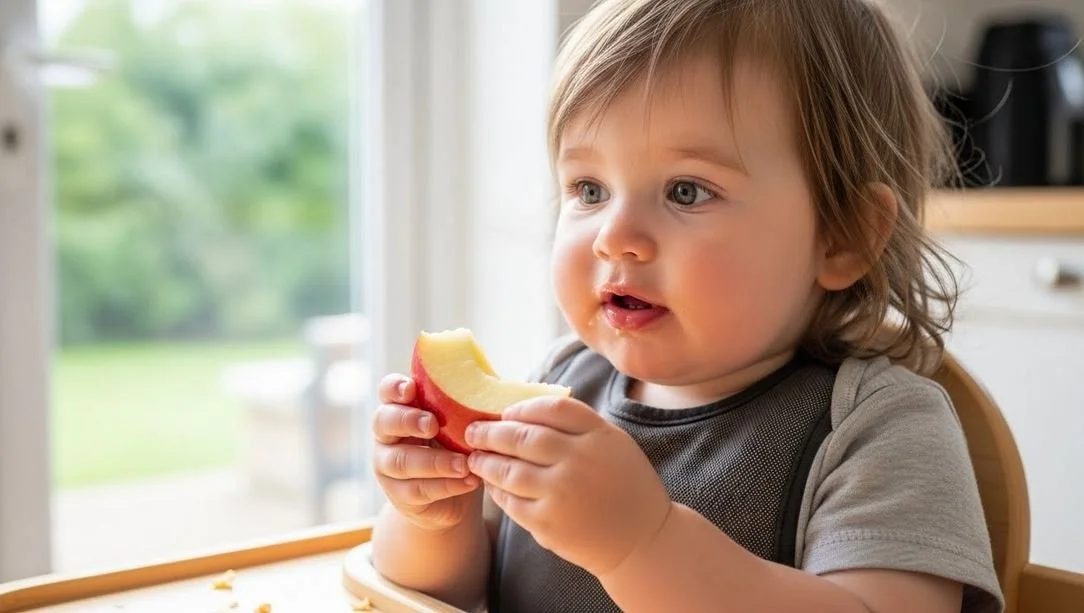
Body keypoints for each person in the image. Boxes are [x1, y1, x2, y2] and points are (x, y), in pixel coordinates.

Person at [367, 0, 1003, 611]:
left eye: (687, 190)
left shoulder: (878, 429)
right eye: (589, 188)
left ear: (844, 235)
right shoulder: (560, 383)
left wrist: (643, 544)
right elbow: (447, 595)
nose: (614, 235)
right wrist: (431, 517)